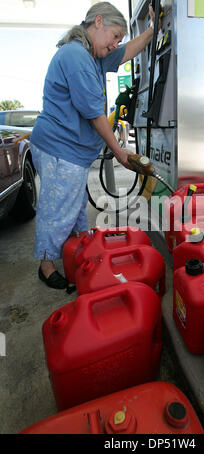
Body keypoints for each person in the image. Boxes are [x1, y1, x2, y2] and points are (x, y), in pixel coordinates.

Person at [30, 1, 158, 289]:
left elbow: (126, 53)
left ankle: (81, 254)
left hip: (68, 151)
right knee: (58, 209)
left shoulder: (93, 55)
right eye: (114, 36)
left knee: (73, 209)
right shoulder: (76, 56)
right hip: (59, 148)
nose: (115, 45)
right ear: (97, 22)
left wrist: (152, 31)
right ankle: (46, 265)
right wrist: (119, 151)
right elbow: (95, 114)